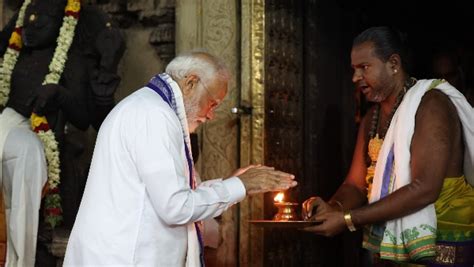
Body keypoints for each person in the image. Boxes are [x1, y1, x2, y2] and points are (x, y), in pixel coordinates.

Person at [63, 51, 297, 266]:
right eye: (213, 103)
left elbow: (167, 197)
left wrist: (233, 182)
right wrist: (239, 186)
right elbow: (175, 207)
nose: (211, 115)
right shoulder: (154, 115)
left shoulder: (148, 107)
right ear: (191, 82)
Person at [302, 26, 474, 265]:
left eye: (364, 68)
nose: (355, 78)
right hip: (389, 245)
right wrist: (332, 208)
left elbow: (425, 188)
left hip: (443, 238)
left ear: (394, 64)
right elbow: (355, 185)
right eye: (354, 69)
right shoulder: (371, 118)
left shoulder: (431, 104)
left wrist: (348, 219)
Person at [0, 0, 124, 265]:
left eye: (41, 20)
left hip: (44, 140)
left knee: (26, 152)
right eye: (28, 19)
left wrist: (59, 94)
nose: (31, 28)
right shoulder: (14, 52)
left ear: (60, 22)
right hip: (7, 125)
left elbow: (85, 120)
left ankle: (22, 257)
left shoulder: (71, 60)